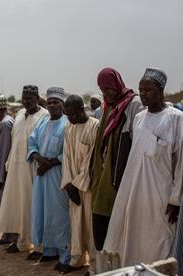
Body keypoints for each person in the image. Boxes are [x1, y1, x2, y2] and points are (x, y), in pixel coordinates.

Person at [104, 68, 183, 267]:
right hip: (136, 193)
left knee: (160, 241)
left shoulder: (176, 118)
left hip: (161, 195)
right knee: (134, 238)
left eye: (148, 89)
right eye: (141, 90)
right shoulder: (138, 118)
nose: (143, 94)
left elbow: (181, 162)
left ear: (161, 90)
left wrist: (175, 199)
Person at [90, 67, 144, 272]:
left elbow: (134, 140)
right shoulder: (109, 107)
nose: (105, 92)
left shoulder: (133, 104)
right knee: (101, 227)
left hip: (120, 177)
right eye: (102, 89)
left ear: (117, 84)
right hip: (103, 176)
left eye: (109, 88)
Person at [0, 85, 48, 254]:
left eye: (29, 98)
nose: (26, 101)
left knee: (32, 204)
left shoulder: (44, 116)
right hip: (16, 167)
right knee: (18, 205)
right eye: (24, 98)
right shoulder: (19, 114)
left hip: (32, 167)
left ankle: (37, 245)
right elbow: (15, 140)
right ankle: (21, 241)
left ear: (36, 98)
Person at [27, 87, 70, 273]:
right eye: (50, 102)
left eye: (56, 102)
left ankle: (65, 255)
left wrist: (50, 163)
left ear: (62, 104)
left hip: (57, 175)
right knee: (42, 210)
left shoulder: (67, 124)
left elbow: (68, 152)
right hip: (42, 174)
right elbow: (32, 142)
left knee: (59, 213)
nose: (52, 105)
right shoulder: (43, 123)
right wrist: (38, 158)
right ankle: (50, 250)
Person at [61, 95, 99, 275]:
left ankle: (94, 266)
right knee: (76, 224)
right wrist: (69, 185)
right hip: (73, 187)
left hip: (88, 187)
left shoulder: (95, 127)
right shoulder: (69, 127)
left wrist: (77, 184)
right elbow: (66, 158)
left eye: (72, 115)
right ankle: (76, 260)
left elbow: (91, 160)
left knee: (90, 226)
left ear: (82, 110)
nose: (69, 119)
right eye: (66, 115)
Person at [0, 94, 18, 246]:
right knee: (3, 203)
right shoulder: (6, 123)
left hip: (4, 173)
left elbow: (4, 152)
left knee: (7, 204)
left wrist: (0, 177)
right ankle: (7, 234)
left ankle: (11, 235)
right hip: (3, 171)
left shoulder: (6, 125)